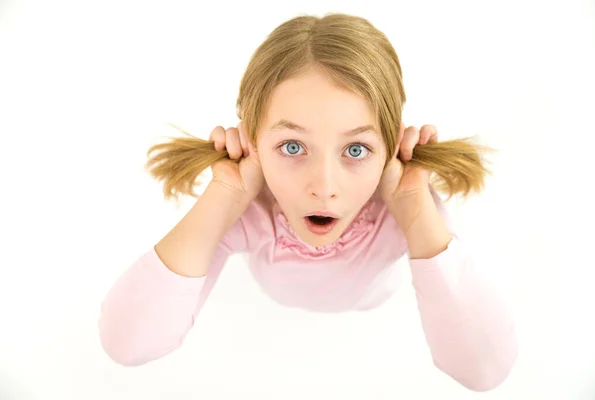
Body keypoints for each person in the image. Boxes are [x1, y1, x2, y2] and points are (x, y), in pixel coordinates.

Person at [98, 12, 518, 392]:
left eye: (355, 150)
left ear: (390, 146)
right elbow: (128, 345)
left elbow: (483, 371)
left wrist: (412, 207)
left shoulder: (409, 207)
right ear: (252, 142)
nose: (324, 186)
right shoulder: (246, 210)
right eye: (293, 146)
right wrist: (224, 197)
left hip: (375, 303)